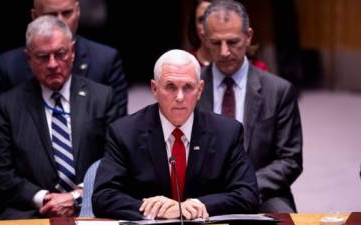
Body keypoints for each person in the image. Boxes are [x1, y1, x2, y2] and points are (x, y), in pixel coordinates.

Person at [92, 49, 259, 220]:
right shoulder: (125, 133)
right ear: (155, 89)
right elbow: (103, 197)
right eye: (170, 87)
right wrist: (157, 210)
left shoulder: (227, 132)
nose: (180, 97)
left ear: (200, 89)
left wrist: (197, 205)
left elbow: (247, 195)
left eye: (188, 87)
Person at [0, 15, 118, 220]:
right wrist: (45, 198)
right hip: (31, 212)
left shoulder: (102, 97)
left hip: (89, 208)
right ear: (28, 58)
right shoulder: (8, 105)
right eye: (43, 56)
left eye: (60, 54)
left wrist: (77, 196)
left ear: (72, 52)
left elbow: (115, 162)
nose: (53, 64)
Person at [197, 0, 303, 213]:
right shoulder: (190, 88)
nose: (225, 52)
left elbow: (290, 160)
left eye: (233, 42)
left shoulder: (278, 91)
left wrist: (244, 187)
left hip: (261, 190)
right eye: (216, 43)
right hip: (201, 194)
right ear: (204, 39)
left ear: (249, 37)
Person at [0, 0, 127, 119]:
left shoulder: (106, 61)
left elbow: (116, 132)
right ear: (34, 16)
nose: (60, 22)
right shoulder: (8, 67)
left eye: (67, 13)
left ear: (78, 12)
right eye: (51, 15)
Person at [187, 0, 213, 67]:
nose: (207, 27)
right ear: (194, 24)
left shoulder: (234, 63)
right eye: (201, 19)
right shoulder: (186, 63)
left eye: (213, 18)